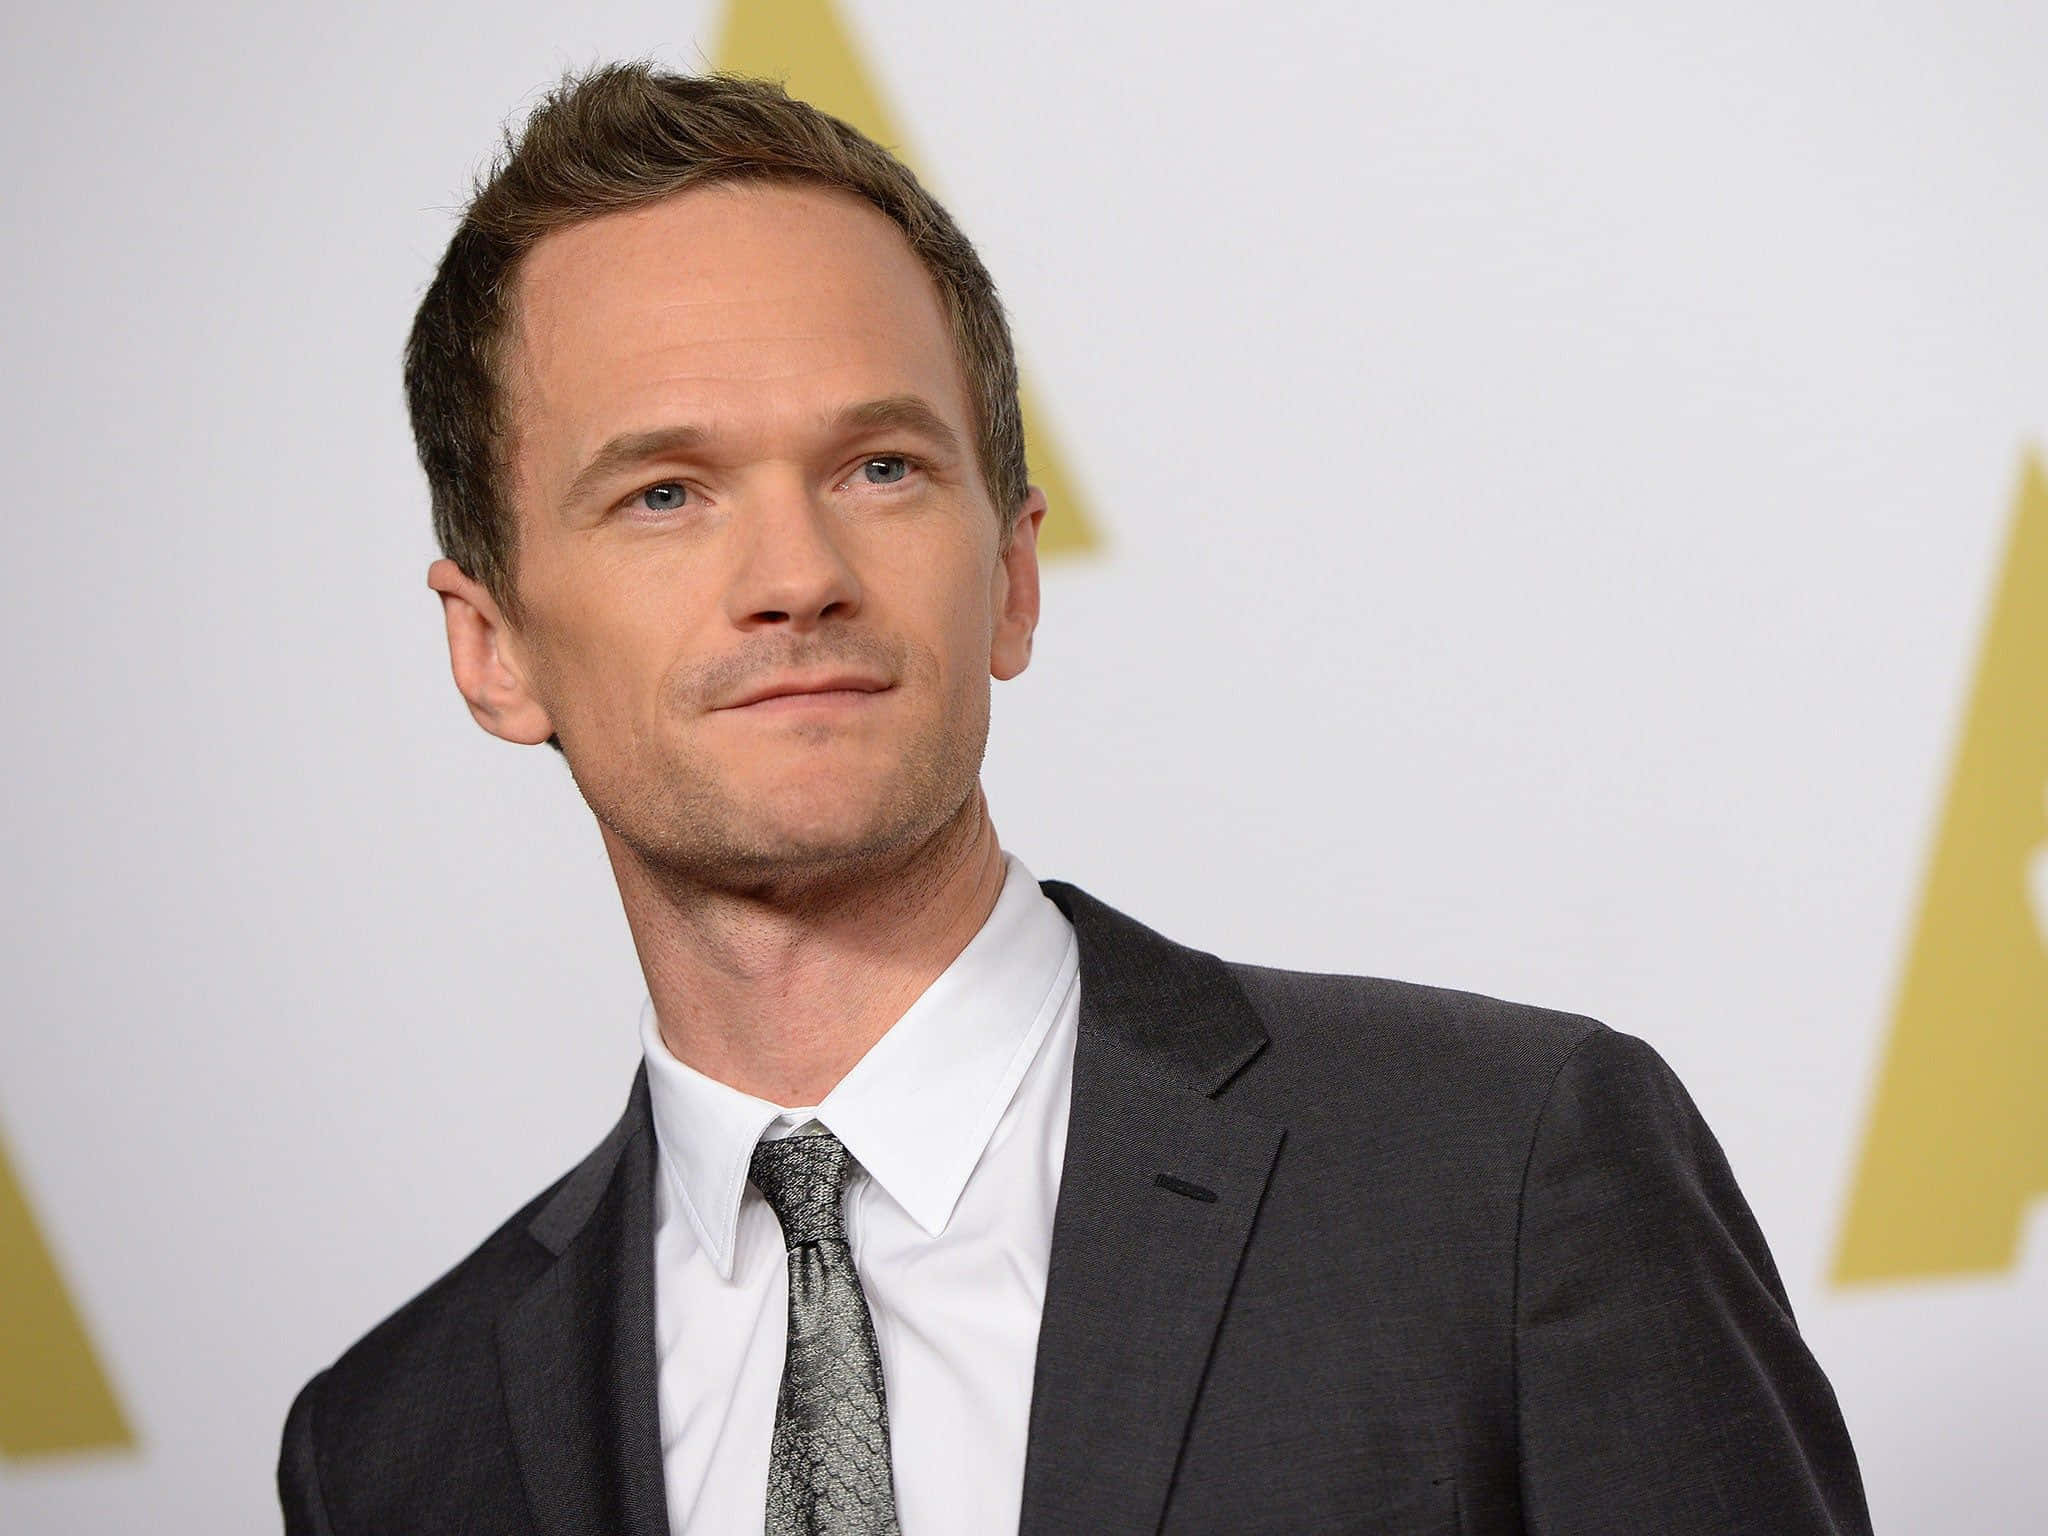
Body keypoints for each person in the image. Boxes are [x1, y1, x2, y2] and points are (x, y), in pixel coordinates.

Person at [278, 63, 1872, 1536]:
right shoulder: (395, 1449)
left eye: (880, 468)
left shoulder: (1502, 1175)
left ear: (1014, 575)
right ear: (492, 649)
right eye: (665, 494)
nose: (797, 575)